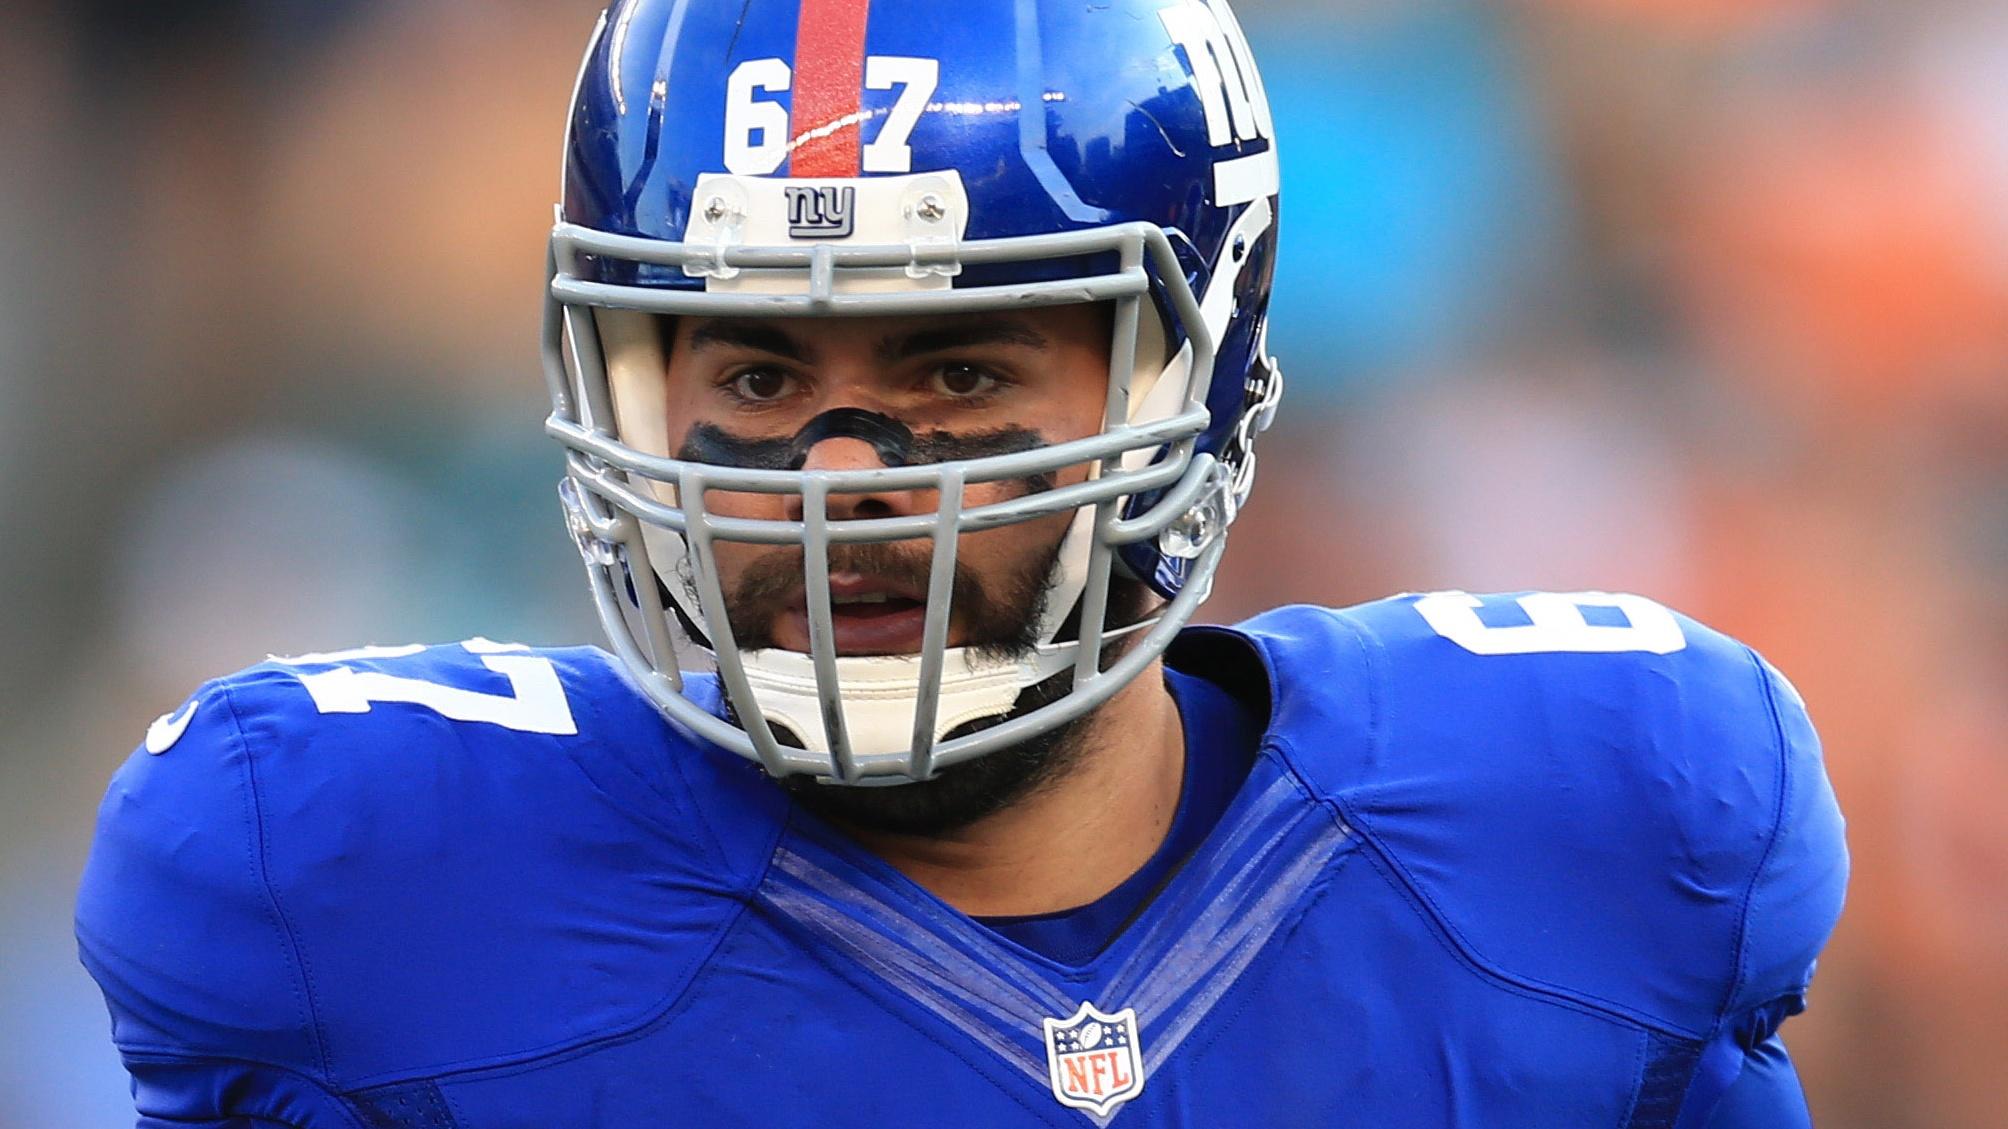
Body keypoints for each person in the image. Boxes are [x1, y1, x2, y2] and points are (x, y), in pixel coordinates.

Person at [75, 0, 1847, 1125]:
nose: (842, 478)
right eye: (761, 373)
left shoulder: (1593, 826)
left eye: (960, 369)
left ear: (1190, 382)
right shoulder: (365, 887)